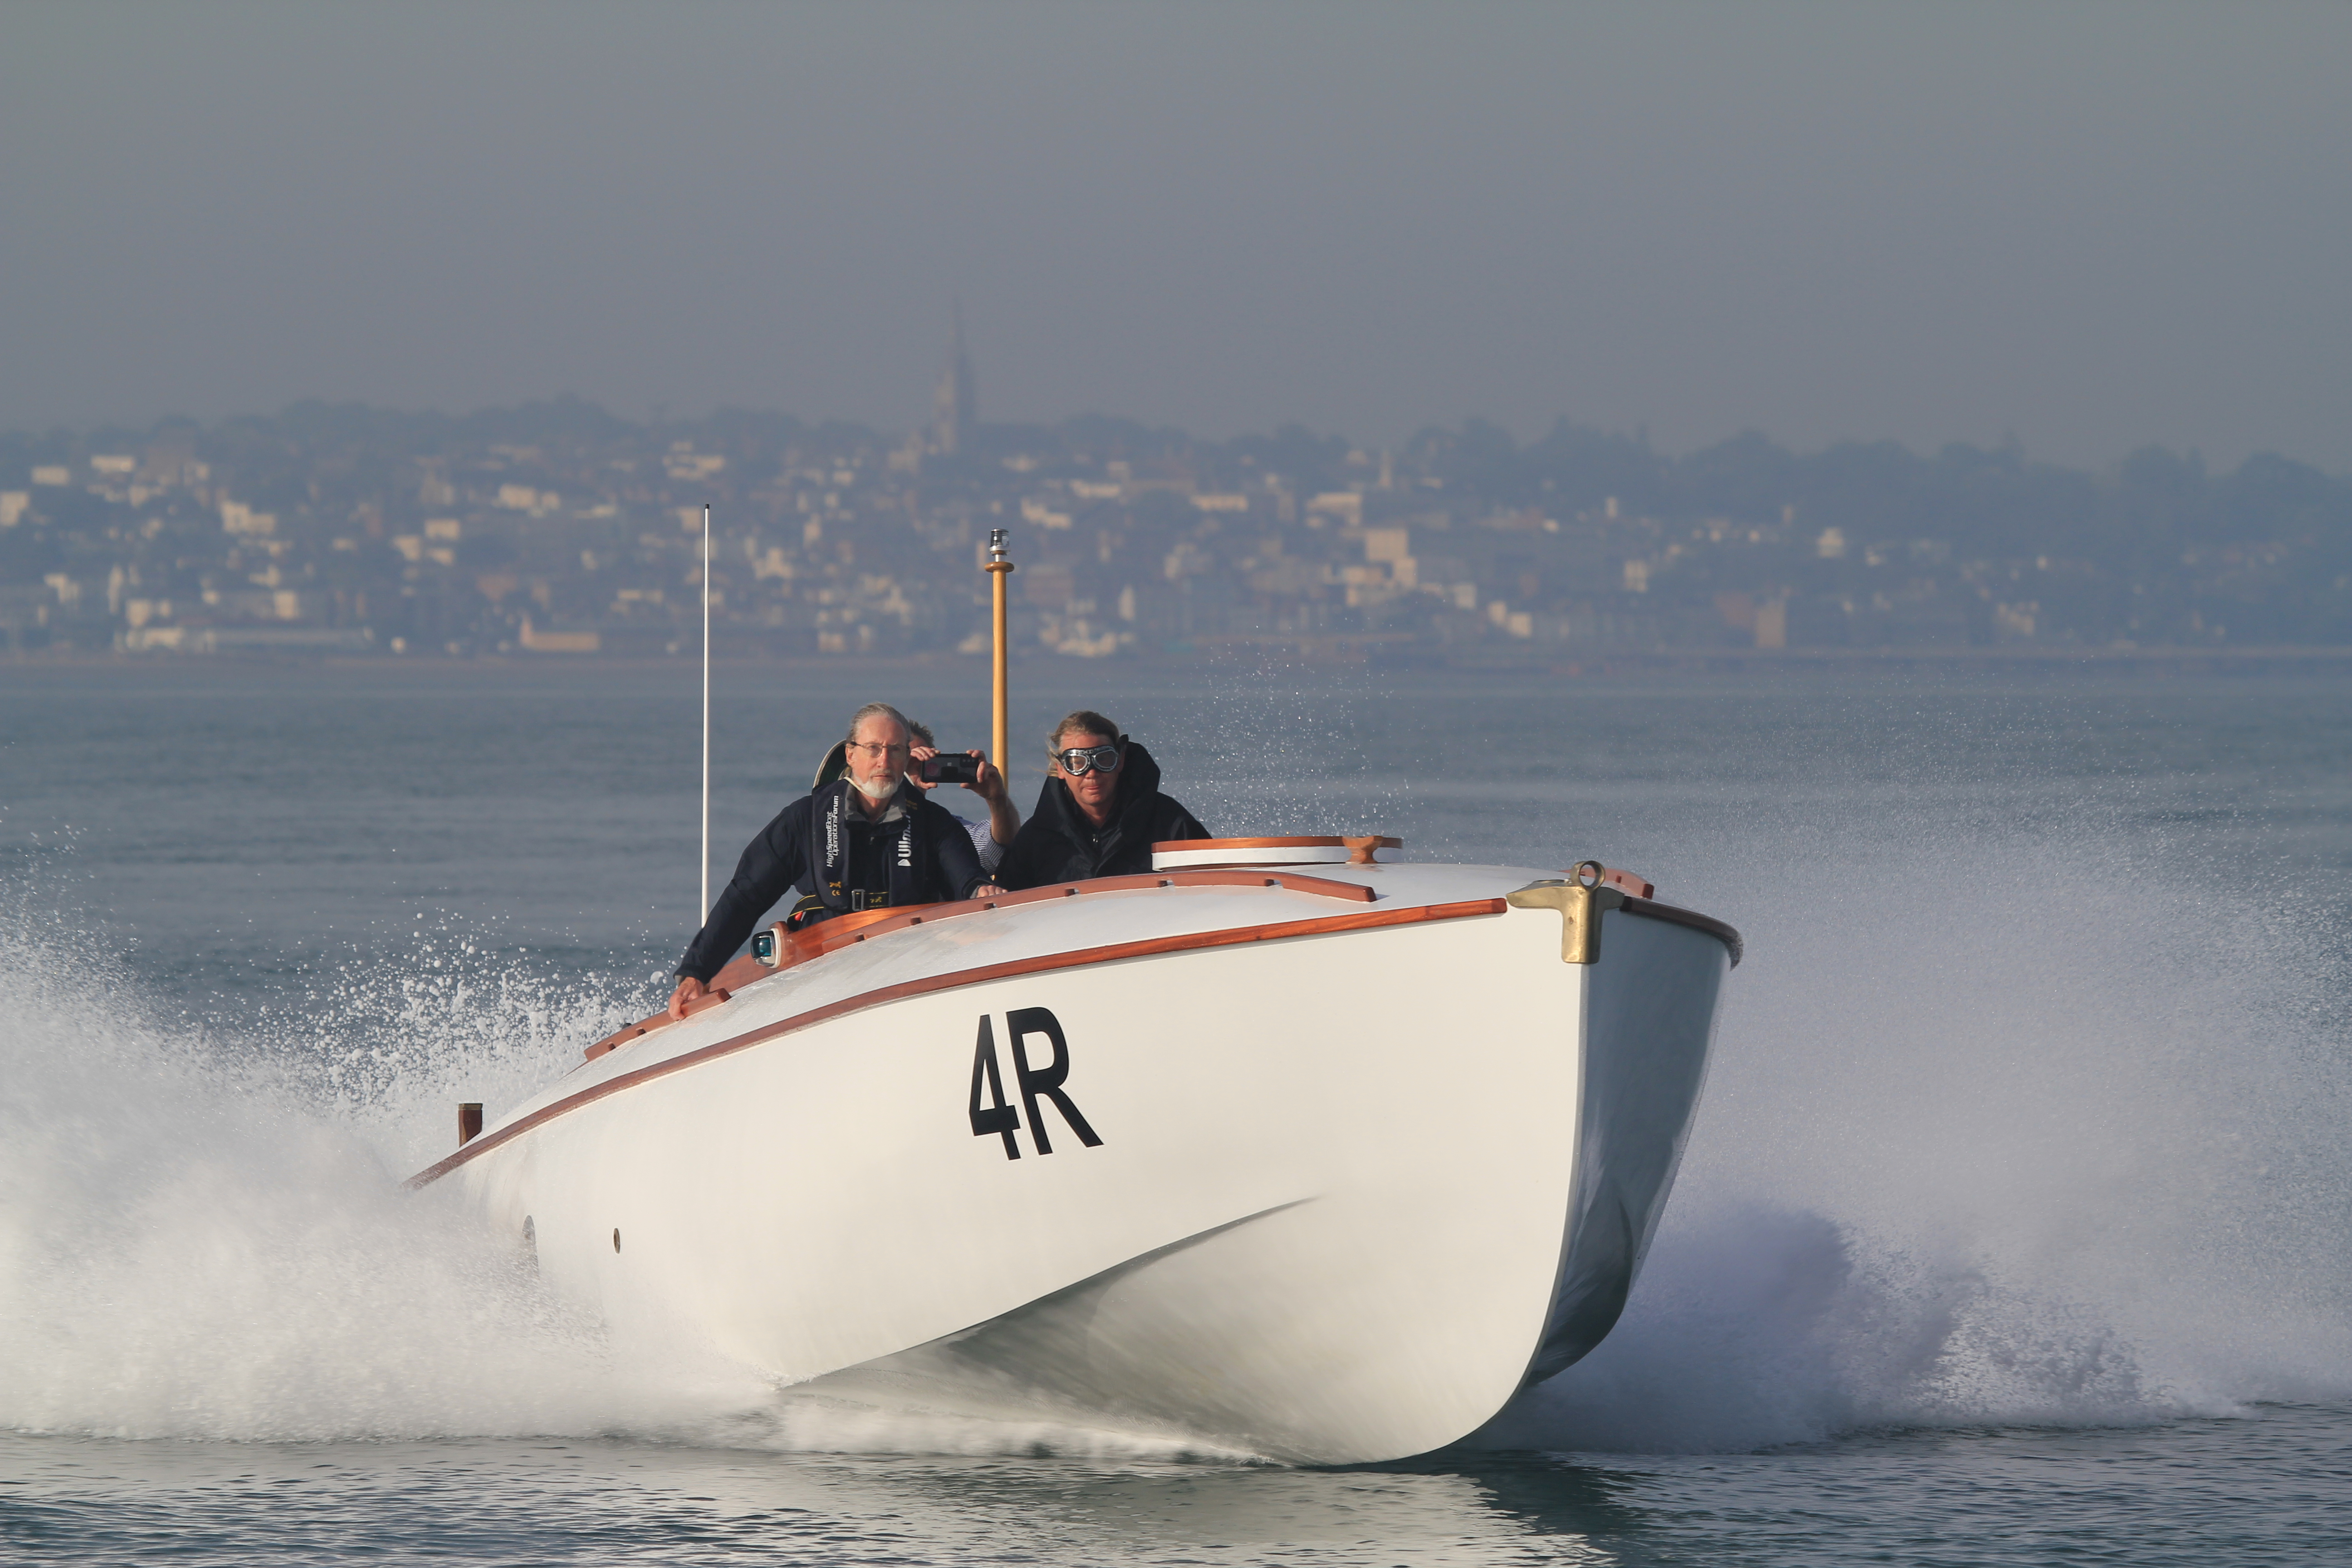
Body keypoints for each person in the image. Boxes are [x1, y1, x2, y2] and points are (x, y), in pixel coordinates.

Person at [667, 702, 999, 1019]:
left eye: (895, 750)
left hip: (906, 955)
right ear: (851, 755)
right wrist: (696, 972)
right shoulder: (805, 819)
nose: (884, 760)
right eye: (873, 749)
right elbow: (746, 895)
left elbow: (967, 877)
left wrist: (983, 890)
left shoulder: (934, 823)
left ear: (905, 759)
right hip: (823, 961)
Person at [997, 710, 1210, 889]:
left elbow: (1212, 886)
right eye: (1077, 763)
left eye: (1103, 759)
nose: (1091, 773)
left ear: (1121, 761)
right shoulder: (1036, 839)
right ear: (1060, 769)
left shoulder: (1169, 822)